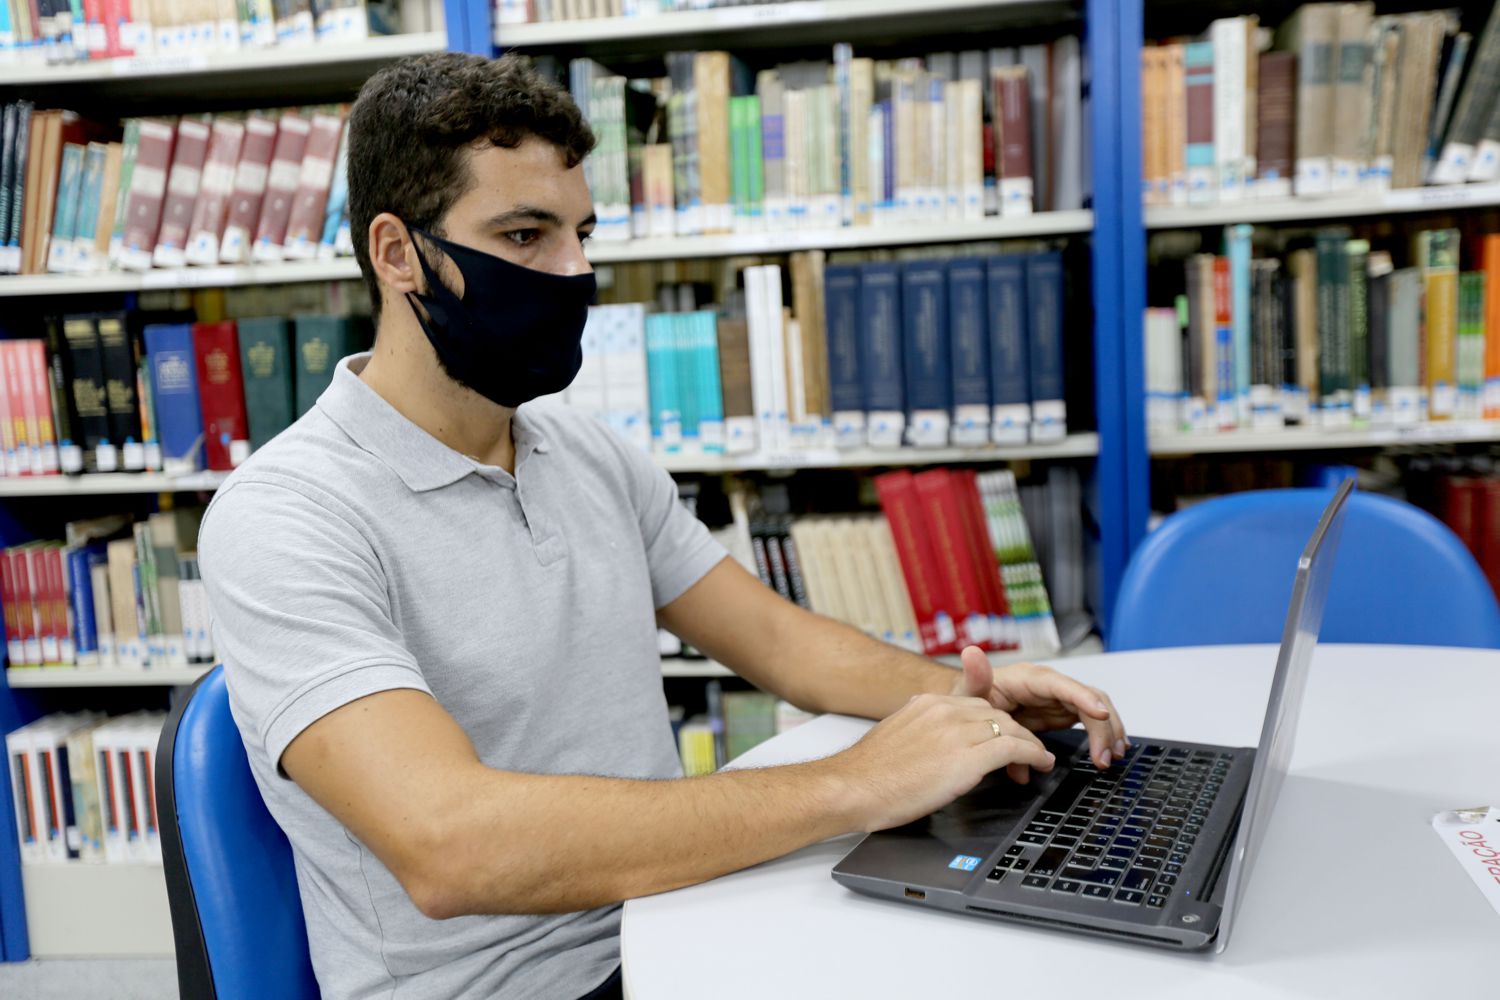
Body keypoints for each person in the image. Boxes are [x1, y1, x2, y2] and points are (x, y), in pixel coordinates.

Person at [198, 51, 1128, 1000]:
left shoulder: (582, 451)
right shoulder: (285, 517)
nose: (576, 272)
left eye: (582, 233)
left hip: (683, 916)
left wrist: (964, 706)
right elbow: (451, 847)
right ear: (397, 253)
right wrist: (859, 781)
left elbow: (778, 642)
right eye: (525, 236)